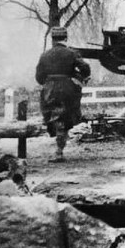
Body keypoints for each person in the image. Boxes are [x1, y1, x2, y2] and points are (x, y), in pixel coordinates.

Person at [35, 26, 91, 162]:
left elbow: (39, 77)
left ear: (52, 39)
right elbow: (85, 67)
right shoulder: (72, 53)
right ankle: (59, 149)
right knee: (66, 116)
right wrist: (82, 76)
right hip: (67, 88)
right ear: (65, 38)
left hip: (50, 89)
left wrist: (47, 82)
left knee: (53, 116)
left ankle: (59, 144)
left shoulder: (45, 55)